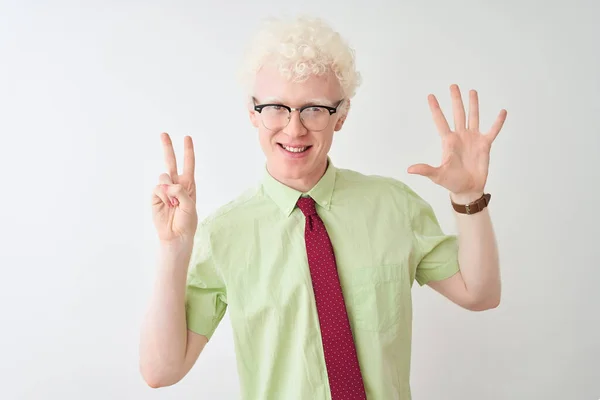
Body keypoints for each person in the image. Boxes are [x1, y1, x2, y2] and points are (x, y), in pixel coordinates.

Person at [139, 15, 507, 400]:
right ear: (253, 112)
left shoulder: (394, 206)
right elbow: (161, 371)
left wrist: (469, 199)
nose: (294, 128)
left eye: (314, 108)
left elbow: (479, 294)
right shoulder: (224, 233)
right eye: (276, 107)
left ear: (342, 115)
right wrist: (173, 247)